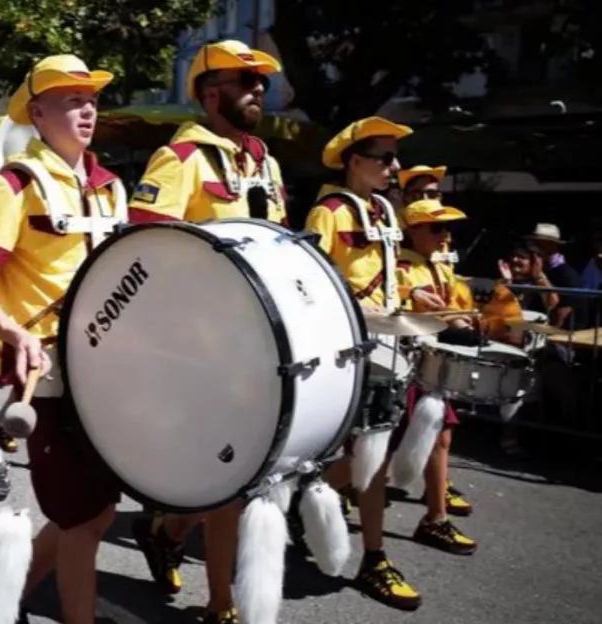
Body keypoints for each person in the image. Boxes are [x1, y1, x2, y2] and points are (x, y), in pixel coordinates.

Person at [0, 54, 124, 624]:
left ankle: (4, 599)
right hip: (48, 374)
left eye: (92, 100)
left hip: (107, 368)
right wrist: (13, 333)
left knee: (99, 513)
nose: (87, 110)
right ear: (38, 112)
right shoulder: (12, 187)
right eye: (72, 100)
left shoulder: (109, 186)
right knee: (81, 520)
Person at [126, 39, 285, 624]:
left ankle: (165, 530)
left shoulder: (263, 161)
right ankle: (223, 605)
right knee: (231, 480)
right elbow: (144, 249)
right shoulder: (183, 158)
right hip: (200, 347)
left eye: (260, 82)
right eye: (245, 83)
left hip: (258, 342)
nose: (258, 90)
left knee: (233, 475)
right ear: (211, 93)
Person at [304, 116, 423, 611]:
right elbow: (308, 283)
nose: (395, 167)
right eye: (384, 157)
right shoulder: (328, 212)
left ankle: (361, 544)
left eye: (395, 158)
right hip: (346, 348)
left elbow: (392, 277)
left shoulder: (385, 212)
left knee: (374, 454)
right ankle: (372, 556)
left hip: (389, 344)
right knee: (363, 457)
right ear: (355, 161)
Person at [396, 199, 479, 555]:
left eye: (448, 229)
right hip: (406, 363)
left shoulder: (441, 268)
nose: (445, 235)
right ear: (413, 230)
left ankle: (436, 518)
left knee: (438, 438)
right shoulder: (400, 268)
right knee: (375, 451)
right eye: (436, 228)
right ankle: (316, 496)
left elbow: (452, 313)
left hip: (432, 367)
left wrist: (466, 322)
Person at [525, 223, 580, 329]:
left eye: (539, 244)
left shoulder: (566, 275)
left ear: (552, 246)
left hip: (562, 337)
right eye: (534, 243)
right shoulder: (540, 269)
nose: (534, 249)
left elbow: (560, 317)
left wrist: (539, 277)